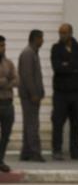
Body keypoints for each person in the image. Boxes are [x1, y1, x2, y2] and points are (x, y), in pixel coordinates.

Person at [50, 23, 78, 160]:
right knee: (58, 121)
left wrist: (67, 64)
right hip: (61, 92)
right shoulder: (56, 48)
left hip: (76, 92)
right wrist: (73, 67)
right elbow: (57, 67)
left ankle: (75, 150)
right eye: (60, 33)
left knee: (76, 122)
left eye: (64, 33)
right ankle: (57, 150)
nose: (62, 35)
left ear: (71, 33)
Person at [18, 30, 45, 162]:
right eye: (41, 38)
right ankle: (34, 152)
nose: (43, 41)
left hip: (32, 95)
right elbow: (27, 76)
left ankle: (26, 152)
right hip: (29, 96)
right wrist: (34, 93)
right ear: (36, 39)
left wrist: (41, 91)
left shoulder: (33, 53)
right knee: (32, 124)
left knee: (29, 124)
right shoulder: (28, 53)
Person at [0, 35, 17, 173]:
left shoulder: (9, 63)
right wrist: (4, 81)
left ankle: (0, 160)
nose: (3, 48)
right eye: (0, 45)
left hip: (7, 103)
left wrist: (5, 83)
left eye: (4, 45)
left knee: (6, 134)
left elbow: (16, 80)